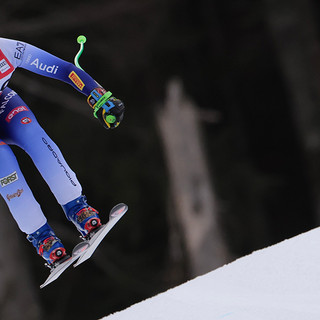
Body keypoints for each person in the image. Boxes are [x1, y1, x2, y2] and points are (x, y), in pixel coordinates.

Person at [0, 37, 125, 268]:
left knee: (33, 135)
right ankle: (43, 238)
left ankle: (79, 209)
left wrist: (97, 95)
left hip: (3, 104)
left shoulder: (6, 49)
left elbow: (64, 69)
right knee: (4, 166)